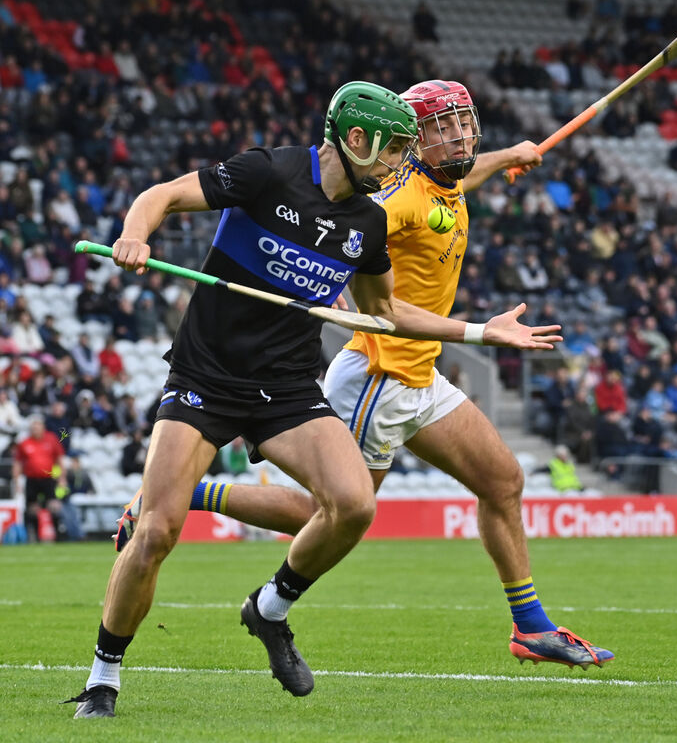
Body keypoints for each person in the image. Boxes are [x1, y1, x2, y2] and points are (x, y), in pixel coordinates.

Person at [66, 81, 562, 718]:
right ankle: (104, 678)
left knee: (353, 506)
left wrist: (479, 331)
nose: (398, 166)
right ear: (355, 139)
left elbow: (384, 311)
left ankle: (270, 608)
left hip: (288, 389)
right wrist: (135, 234)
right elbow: (161, 196)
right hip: (206, 378)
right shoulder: (265, 172)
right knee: (158, 530)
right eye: (392, 152)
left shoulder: (367, 221)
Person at [12, 416, 68, 542]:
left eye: (38, 427)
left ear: (43, 428)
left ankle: (57, 535)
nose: (35, 430)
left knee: (53, 506)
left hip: (48, 479)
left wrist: (62, 478)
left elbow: (59, 460)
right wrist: (16, 481)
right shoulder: (24, 443)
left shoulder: (51, 439)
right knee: (32, 509)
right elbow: (18, 463)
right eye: (33, 428)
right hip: (31, 480)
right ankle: (34, 536)